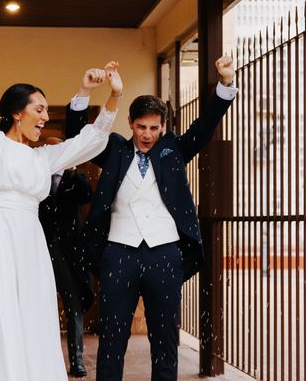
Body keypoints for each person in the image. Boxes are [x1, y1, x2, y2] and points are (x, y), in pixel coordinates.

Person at [0, 12, 123, 381]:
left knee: (32, 316)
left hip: (30, 244)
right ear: (16, 113)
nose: (46, 117)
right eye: (39, 109)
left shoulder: (43, 158)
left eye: (47, 110)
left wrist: (113, 96)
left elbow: (90, 141)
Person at [66, 56, 236, 381]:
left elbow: (205, 127)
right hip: (118, 254)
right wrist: (84, 92)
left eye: (154, 128)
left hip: (164, 255)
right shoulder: (113, 149)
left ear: (163, 126)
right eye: (141, 127)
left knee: (165, 342)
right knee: (112, 340)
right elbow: (79, 138)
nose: (147, 135)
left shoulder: (173, 149)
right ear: (130, 122)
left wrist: (225, 84)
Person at [39, 137, 94, 377]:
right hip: (39, 247)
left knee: (73, 306)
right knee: (40, 306)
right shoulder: (37, 176)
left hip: (69, 252)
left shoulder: (74, 179)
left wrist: (71, 168)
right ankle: (40, 359)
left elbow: (87, 194)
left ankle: (77, 360)